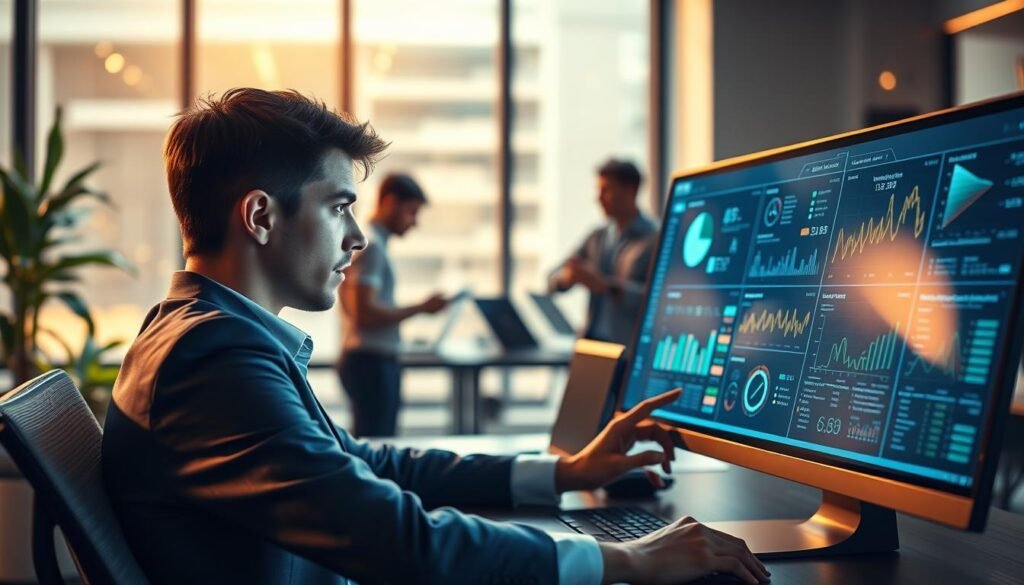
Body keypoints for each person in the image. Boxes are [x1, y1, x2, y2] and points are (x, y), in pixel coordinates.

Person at [102, 88, 768, 585]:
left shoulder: (204, 335)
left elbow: (366, 468)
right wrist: (623, 557)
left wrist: (562, 471)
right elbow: (396, 538)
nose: (357, 238)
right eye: (339, 207)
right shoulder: (214, 359)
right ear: (260, 216)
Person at [338, 173, 446, 437]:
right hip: (370, 362)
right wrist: (421, 308)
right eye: (411, 212)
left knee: (375, 440)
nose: (414, 222)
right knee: (377, 443)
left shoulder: (372, 244)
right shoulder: (372, 247)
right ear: (390, 202)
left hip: (369, 360)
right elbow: (364, 313)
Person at [549, 159, 659, 346]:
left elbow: (658, 298)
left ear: (629, 190)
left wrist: (607, 286)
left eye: (606, 190)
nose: (598, 198)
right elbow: (552, 279)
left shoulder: (654, 238)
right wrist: (570, 276)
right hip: (591, 344)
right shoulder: (596, 238)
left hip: (628, 349)